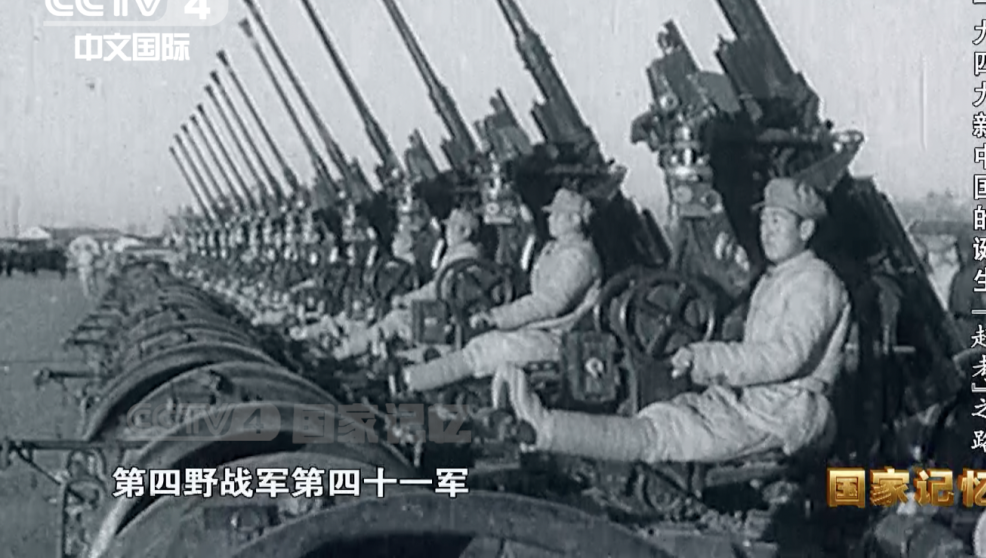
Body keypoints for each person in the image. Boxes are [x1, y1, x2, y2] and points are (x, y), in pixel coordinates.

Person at [492, 177, 851, 464]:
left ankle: (544, 429)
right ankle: (542, 426)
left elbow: (785, 357)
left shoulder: (815, 282)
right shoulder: (779, 277)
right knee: (661, 417)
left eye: (777, 221)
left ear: (806, 229)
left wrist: (705, 358)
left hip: (784, 414)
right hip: (750, 400)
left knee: (663, 435)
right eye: (764, 221)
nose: (766, 231)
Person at [399, 188, 603, 393]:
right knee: (474, 342)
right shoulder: (556, 249)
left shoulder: (578, 259)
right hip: (538, 330)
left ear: (575, 220)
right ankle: (411, 370)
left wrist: (496, 317)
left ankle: (409, 382)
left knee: (485, 350)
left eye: (557, 215)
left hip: (558, 339)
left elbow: (548, 304)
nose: (550, 219)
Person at [326, 208, 484, 357]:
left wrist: (407, 299)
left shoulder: (463, 257)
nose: (448, 232)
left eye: (452, 227)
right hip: (444, 310)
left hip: (445, 315)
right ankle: (354, 344)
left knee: (395, 319)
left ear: (466, 232)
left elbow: (439, 289)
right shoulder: (459, 254)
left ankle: (348, 348)